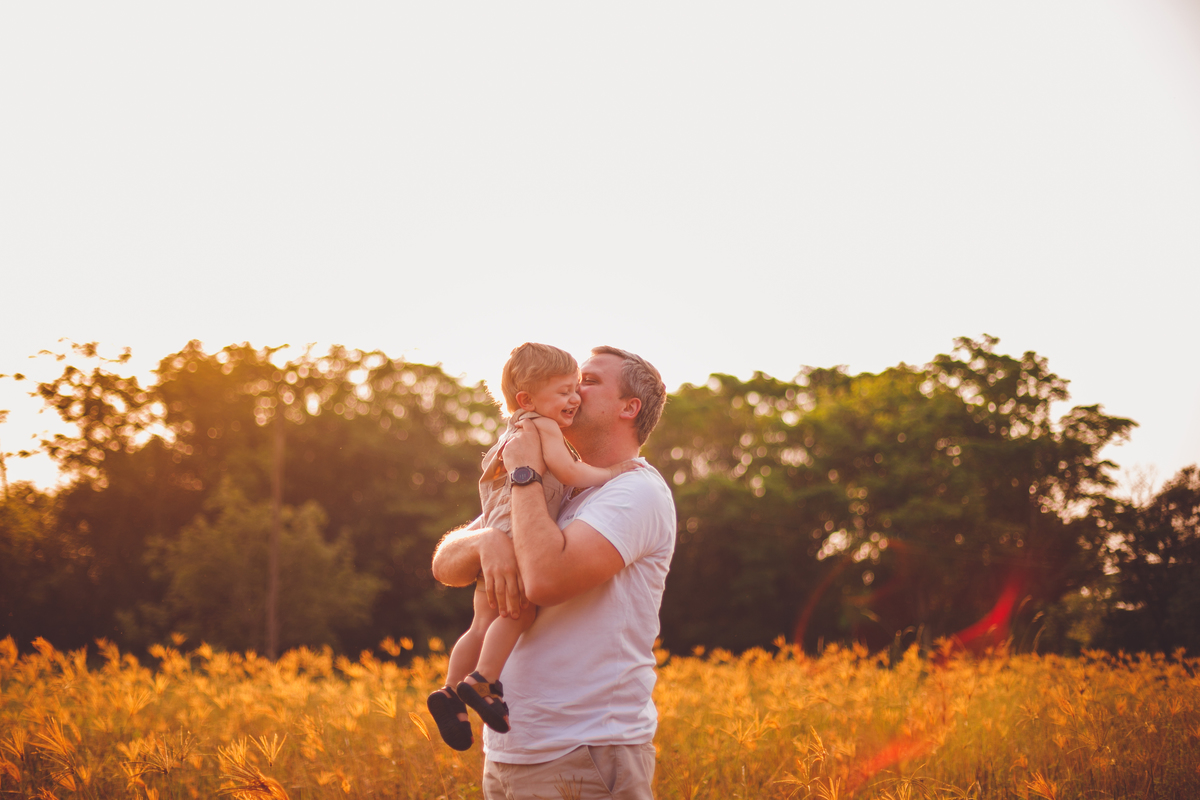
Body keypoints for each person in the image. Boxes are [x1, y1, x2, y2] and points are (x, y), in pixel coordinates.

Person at [431, 346, 675, 800]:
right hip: (509, 753)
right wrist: (488, 541)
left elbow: (545, 581)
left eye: (589, 380)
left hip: (584, 752)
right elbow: (445, 566)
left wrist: (524, 470)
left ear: (629, 407)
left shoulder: (635, 491)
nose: (574, 389)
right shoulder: (555, 492)